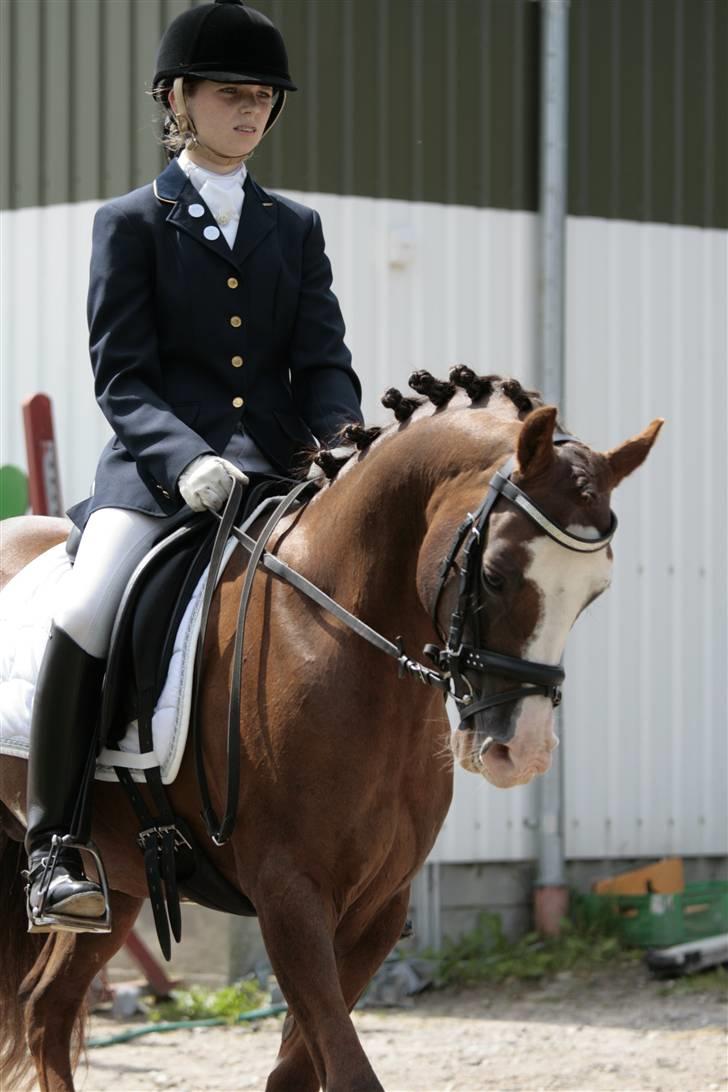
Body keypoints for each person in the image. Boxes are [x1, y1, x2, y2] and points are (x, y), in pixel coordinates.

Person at [24, 0, 362, 932]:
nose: (249, 111)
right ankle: (54, 845)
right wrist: (185, 462)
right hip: (160, 469)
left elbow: (323, 358)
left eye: (261, 98)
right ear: (178, 98)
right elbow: (122, 376)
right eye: (229, 94)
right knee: (89, 603)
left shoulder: (294, 228)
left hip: (284, 467)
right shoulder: (131, 221)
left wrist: (342, 442)